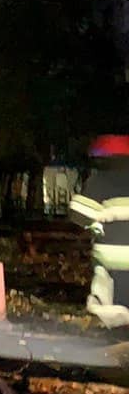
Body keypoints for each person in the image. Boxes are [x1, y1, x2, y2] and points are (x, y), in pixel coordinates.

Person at [69, 134, 129, 328]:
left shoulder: (99, 181)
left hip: (110, 256)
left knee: (110, 292)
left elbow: (78, 214)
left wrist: (95, 224)